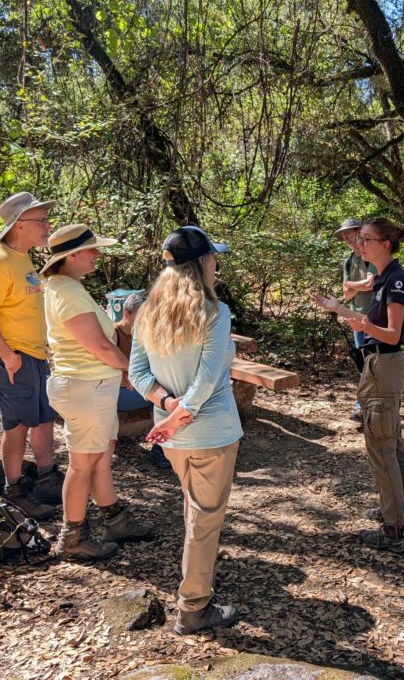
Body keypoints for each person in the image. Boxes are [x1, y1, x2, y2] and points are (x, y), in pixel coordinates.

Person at [128, 225, 244, 634]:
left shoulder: (149, 311)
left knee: (196, 510)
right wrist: (181, 412)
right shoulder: (215, 311)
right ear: (202, 262)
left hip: (174, 437)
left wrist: (167, 407)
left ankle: (198, 585)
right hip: (210, 433)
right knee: (205, 519)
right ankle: (194, 606)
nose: (216, 263)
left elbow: (137, 374)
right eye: (213, 256)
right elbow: (208, 378)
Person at [42, 224, 153, 561]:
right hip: (85, 389)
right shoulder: (67, 292)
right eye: (91, 249)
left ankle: (115, 522)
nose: (97, 254)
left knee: (100, 458)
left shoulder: (69, 287)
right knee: (82, 464)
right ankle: (73, 537)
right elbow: (100, 347)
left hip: (93, 387)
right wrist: (131, 372)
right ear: (73, 255)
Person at [313, 218, 404, 553]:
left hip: (385, 364)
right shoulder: (382, 277)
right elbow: (368, 316)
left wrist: (363, 323)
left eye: (367, 239)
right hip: (379, 364)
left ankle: (393, 529)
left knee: (382, 449)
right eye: (360, 239)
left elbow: (393, 335)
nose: (360, 245)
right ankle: (400, 511)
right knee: (392, 443)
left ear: (385, 244)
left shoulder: (395, 280)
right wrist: (338, 308)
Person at [0, 192, 60, 521]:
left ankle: (48, 482)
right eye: (42, 220)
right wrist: (7, 356)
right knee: (18, 424)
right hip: (10, 358)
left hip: (32, 354)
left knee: (44, 418)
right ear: (19, 224)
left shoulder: (22, 258)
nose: (48, 226)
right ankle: (15, 493)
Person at [113, 291, 171, 470]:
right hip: (118, 393)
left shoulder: (149, 336)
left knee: (168, 392)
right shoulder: (113, 334)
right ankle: (161, 450)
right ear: (126, 313)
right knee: (165, 396)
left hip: (139, 389)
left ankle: (164, 447)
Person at [335, 218, 377, 418]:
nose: (345, 237)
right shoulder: (349, 261)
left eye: (348, 232)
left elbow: (370, 284)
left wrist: (352, 284)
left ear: (360, 232)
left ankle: (369, 404)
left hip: (375, 320)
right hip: (355, 319)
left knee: (374, 364)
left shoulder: (371, 256)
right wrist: (356, 286)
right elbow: (346, 294)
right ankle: (364, 405)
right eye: (343, 234)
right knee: (362, 363)